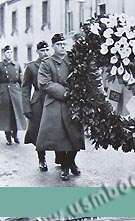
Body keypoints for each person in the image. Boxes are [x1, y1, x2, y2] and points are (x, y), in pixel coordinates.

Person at [36, 33, 85, 181]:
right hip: (55, 103)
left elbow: (82, 75)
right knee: (59, 137)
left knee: (76, 135)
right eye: (59, 44)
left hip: (73, 103)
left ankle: (71, 161)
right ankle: (64, 166)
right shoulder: (47, 63)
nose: (62, 47)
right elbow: (44, 83)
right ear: (53, 47)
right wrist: (65, 93)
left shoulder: (73, 60)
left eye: (64, 44)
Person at [22, 41, 50, 172]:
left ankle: (61, 158)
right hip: (38, 102)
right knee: (38, 131)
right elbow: (25, 88)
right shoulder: (32, 67)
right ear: (37, 52)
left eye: (47, 50)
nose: (45, 53)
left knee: (56, 129)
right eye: (42, 51)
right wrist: (26, 107)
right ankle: (42, 159)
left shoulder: (53, 64)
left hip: (53, 99)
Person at [0, 45, 26, 145]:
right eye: (7, 53)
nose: (9, 54)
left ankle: (15, 135)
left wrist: (21, 91)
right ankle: (8, 137)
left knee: (17, 114)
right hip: (4, 92)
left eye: (11, 52)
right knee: (6, 115)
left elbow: (21, 80)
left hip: (15, 91)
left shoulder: (17, 65)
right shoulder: (1, 65)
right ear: (3, 54)